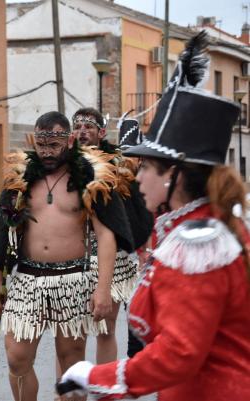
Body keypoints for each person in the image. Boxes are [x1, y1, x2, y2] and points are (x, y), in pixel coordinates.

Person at [59, 31, 250, 401]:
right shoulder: (204, 227)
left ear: (174, 176)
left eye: (147, 166)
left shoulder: (200, 245)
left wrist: (95, 376)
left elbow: (180, 352)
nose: (139, 175)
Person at [0, 111, 134, 401]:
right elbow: (3, 233)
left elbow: (107, 236)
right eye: (42, 146)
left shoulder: (91, 177)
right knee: (17, 357)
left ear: (69, 140)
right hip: (27, 280)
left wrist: (103, 288)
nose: (47, 153)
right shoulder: (20, 179)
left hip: (72, 280)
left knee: (71, 365)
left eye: (54, 146)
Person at [71, 107, 153, 364]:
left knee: (104, 330)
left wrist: (142, 249)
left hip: (111, 257)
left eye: (89, 127)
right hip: (71, 257)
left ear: (101, 132)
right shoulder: (60, 164)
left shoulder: (118, 166)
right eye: (78, 127)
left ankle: (104, 387)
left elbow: (138, 208)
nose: (83, 131)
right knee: (72, 335)